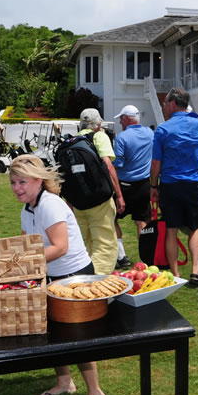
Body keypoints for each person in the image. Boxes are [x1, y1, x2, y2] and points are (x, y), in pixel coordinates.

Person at [9, 154, 107, 395]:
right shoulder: (27, 208)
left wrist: (27, 262)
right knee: (51, 334)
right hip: (50, 278)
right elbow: (26, 244)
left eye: (22, 182)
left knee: (78, 340)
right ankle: (65, 382)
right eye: (13, 182)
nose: (17, 188)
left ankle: (96, 392)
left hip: (75, 278)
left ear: (39, 181)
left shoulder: (49, 205)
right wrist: (12, 263)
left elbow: (60, 247)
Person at [150, 88, 198, 286]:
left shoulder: (163, 129)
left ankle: (175, 274)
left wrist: (153, 186)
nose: (163, 106)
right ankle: (196, 271)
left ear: (172, 103)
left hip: (170, 184)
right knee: (194, 227)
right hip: (192, 183)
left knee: (171, 228)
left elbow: (156, 165)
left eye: (165, 103)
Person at [72, 108, 125, 275]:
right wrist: (119, 195)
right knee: (105, 245)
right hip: (99, 200)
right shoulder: (99, 136)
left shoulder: (71, 141)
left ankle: (84, 278)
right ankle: (97, 286)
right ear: (98, 124)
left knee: (87, 244)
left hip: (78, 203)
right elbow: (108, 166)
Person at [112, 105, 154, 269]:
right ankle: (146, 259)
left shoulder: (122, 137)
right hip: (144, 185)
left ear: (128, 118)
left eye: (121, 118)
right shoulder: (150, 133)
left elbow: (119, 163)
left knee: (111, 219)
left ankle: (121, 257)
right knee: (142, 222)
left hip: (125, 187)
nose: (120, 122)